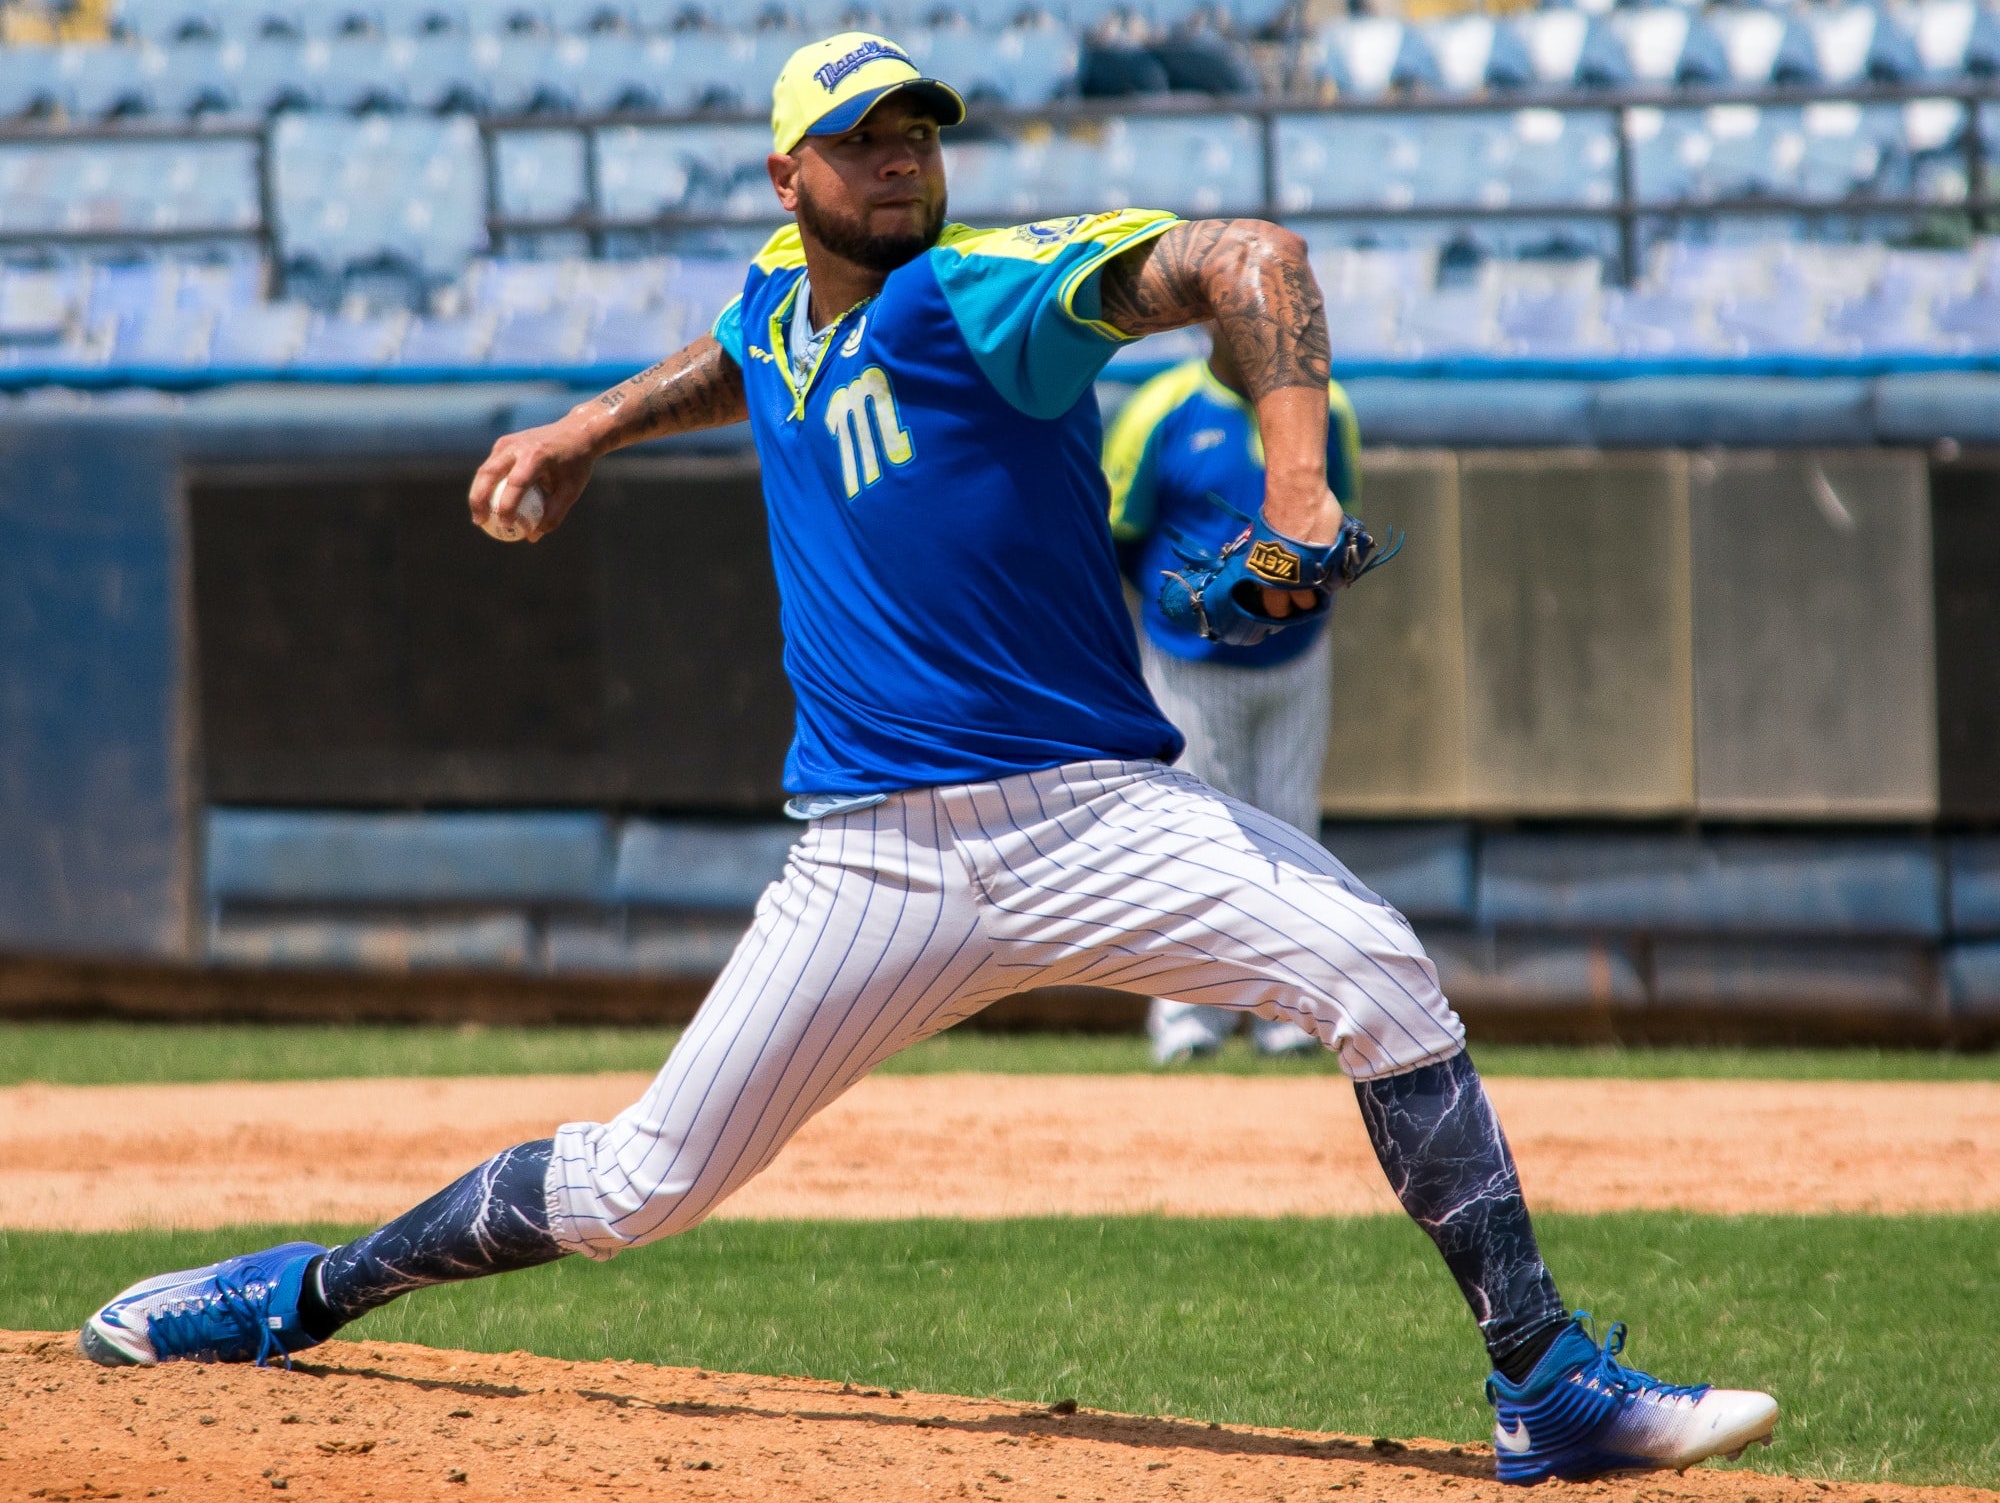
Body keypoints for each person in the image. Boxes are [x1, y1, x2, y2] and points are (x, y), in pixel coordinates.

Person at [77, 32, 1776, 1487]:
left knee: (1378, 970)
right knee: (636, 1183)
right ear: (788, 174)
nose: (899, 157)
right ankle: (299, 1290)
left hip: (1095, 814)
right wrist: (590, 425)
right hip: (870, 861)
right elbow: (741, 352)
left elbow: (1248, 256)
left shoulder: (986, 291)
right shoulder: (780, 302)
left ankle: (1544, 1383)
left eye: (918, 131)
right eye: (861, 136)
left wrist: (1297, 482)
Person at [1105, 336, 1362, 1064]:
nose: (1262, 322)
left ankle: (1289, 1013)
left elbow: (1336, 522)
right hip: (1191, 662)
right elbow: (1118, 534)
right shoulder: (1163, 408)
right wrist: (1183, 600)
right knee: (1197, 836)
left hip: (1295, 656)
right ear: (1211, 313)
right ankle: (1189, 1017)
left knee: (1292, 828)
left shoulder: (1329, 406)